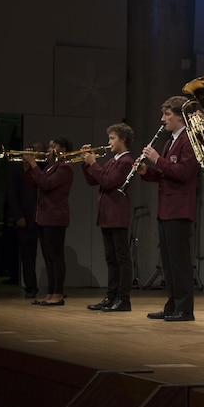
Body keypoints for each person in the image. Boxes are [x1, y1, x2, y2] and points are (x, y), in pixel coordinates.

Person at [139, 96, 200, 322]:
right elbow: (166, 174)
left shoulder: (189, 139)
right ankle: (172, 304)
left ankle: (184, 309)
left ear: (179, 116)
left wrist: (157, 160)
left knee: (180, 263)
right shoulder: (169, 142)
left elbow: (183, 172)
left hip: (180, 209)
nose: (162, 119)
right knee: (167, 262)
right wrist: (147, 171)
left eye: (167, 114)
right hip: (166, 208)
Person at [82, 124, 135, 312]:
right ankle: (111, 296)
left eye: (112, 138)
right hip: (106, 215)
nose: (108, 142)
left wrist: (93, 163)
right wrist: (86, 163)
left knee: (122, 259)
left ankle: (123, 299)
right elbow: (93, 180)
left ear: (123, 139)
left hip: (117, 214)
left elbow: (108, 181)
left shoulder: (126, 161)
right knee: (111, 259)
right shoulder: (114, 160)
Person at [24, 136, 74, 306]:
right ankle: (51, 293)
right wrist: (28, 167)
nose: (48, 150)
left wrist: (33, 164)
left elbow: (46, 184)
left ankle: (58, 294)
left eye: (53, 147)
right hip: (44, 217)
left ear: (63, 150)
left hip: (55, 217)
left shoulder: (64, 168)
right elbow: (34, 183)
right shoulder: (51, 167)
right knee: (48, 257)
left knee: (56, 257)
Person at [5, 140, 45, 298]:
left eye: (40, 152)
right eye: (36, 151)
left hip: (42, 216)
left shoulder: (43, 167)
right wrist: (18, 216)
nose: (39, 154)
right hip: (25, 218)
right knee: (28, 256)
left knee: (49, 253)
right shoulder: (16, 169)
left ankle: (55, 289)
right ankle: (31, 287)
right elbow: (11, 195)